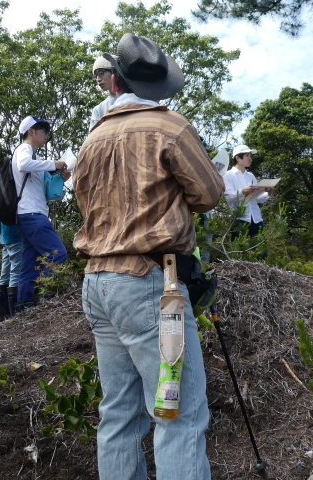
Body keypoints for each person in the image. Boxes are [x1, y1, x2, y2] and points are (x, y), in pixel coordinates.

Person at [73, 33, 224, 480]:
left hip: (98, 281)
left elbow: (84, 202)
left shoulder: (92, 137)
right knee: (177, 413)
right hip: (150, 281)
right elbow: (210, 193)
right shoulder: (168, 125)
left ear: (114, 83)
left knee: (118, 413)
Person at [13, 115, 71, 312]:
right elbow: (23, 164)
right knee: (58, 254)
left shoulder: (34, 157)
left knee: (30, 262)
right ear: (31, 131)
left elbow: (45, 191)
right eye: (43, 130)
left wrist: (60, 178)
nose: (45, 134)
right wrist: (53, 164)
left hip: (30, 213)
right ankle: (47, 297)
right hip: (31, 214)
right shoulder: (24, 149)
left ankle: (24, 305)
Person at [223, 144, 272, 237]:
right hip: (239, 219)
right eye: (247, 155)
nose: (250, 158)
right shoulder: (227, 175)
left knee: (261, 251)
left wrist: (268, 193)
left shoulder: (250, 175)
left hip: (256, 219)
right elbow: (228, 197)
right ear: (237, 158)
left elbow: (257, 199)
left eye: (250, 156)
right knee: (239, 251)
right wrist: (243, 191)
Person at [0, 221, 23, 321]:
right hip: (16, 235)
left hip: (5, 237)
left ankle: (3, 315)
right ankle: (14, 314)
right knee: (16, 273)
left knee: (5, 275)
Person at [89, 56, 118, 131]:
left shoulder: (133, 99)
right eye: (96, 76)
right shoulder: (98, 110)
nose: (98, 79)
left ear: (114, 72)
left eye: (101, 73)